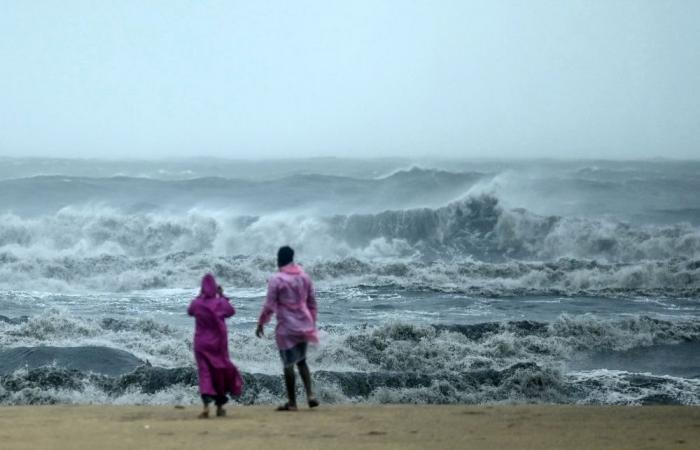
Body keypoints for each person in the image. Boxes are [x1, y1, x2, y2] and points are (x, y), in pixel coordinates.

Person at [256, 246, 320, 411]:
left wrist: (261, 323)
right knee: (302, 361)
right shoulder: (304, 277)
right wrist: (311, 323)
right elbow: (312, 303)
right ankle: (310, 395)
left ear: (279, 259)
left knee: (288, 364)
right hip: (304, 324)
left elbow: (269, 305)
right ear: (292, 258)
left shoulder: (276, 279)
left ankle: (292, 403)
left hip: (286, 327)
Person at [187, 273, 243, 418]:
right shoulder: (220, 303)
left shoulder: (197, 303)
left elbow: (190, 311)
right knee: (219, 373)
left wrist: (200, 297)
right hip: (218, 345)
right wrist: (222, 295)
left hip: (201, 344)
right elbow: (231, 311)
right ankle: (219, 408)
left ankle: (206, 406)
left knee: (204, 373)